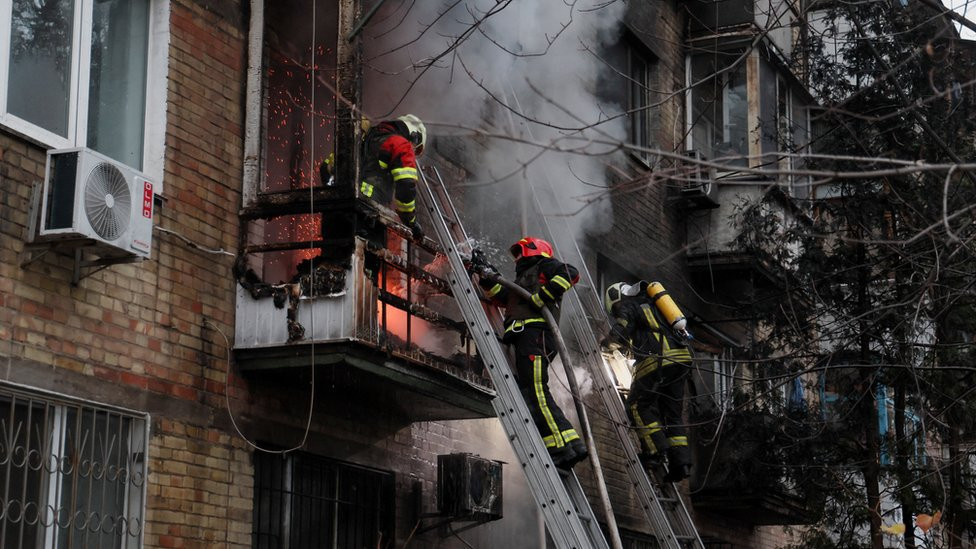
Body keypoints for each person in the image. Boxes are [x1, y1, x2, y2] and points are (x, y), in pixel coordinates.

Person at [474, 237, 588, 469]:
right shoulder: (523, 281)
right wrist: (487, 277)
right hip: (526, 337)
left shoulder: (545, 266)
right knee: (531, 392)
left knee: (536, 390)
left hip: (536, 335)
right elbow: (504, 298)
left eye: (521, 252)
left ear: (535, 251)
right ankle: (570, 446)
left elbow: (571, 273)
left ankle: (562, 446)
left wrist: (542, 297)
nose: (518, 257)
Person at [602, 281, 694, 482]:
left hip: (658, 361)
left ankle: (654, 453)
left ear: (615, 298)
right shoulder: (654, 305)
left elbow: (621, 330)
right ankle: (681, 464)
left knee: (637, 405)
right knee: (672, 414)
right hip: (682, 360)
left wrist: (606, 344)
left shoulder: (627, 305)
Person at [359, 114, 427, 240]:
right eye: (415, 147)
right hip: (370, 214)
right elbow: (406, 186)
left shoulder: (365, 137)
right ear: (414, 136)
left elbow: (326, 167)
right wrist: (411, 222)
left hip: (340, 208)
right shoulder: (401, 144)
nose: (412, 151)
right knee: (371, 255)